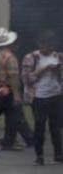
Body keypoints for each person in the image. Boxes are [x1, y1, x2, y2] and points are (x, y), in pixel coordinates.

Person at [21, 31, 63, 165]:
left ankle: (59, 154)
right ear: (40, 44)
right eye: (45, 45)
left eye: (51, 45)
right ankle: (39, 155)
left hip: (55, 95)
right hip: (39, 96)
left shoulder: (58, 56)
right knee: (39, 125)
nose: (49, 48)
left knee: (55, 126)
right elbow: (27, 79)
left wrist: (58, 71)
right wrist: (44, 69)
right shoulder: (31, 58)